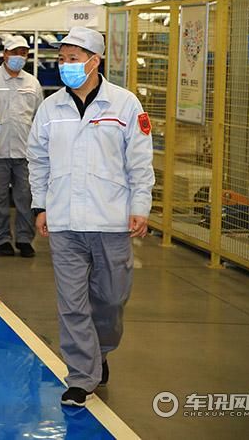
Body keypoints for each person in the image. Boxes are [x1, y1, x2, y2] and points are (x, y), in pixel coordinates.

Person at [27, 26, 153, 408]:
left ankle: (101, 350)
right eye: (61, 59)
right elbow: (38, 160)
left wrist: (140, 207)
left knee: (111, 300)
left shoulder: (125, 105)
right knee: (72, 302)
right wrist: (40, 205)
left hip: (111, 220)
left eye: (72, 58)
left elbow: (140, 162)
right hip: (65, 221)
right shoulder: (50, 108)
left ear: (94, 61)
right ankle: (81, 376)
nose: (64, 65)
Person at [0, 34, 44, 258]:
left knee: (26, 197)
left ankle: (24, 239)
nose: (19, 57)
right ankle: (1, 240)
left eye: (23, 53)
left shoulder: (32, 83)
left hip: (25, 151)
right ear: (5, 54)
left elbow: (39, 117)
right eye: (15, 52)